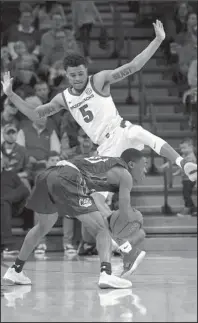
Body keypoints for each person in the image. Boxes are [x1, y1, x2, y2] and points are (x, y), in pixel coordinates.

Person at [1, 20, 197, 182]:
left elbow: (134, 66)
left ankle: (182, 163)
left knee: (140, 132)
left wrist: (157, 40)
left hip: (121, 130)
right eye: (73, 75)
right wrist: (11, 94)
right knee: (98, 198)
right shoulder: (64, 98)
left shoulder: (99, 80)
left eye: (80, 73)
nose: (77, 78)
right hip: (105, 146)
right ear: (67, 75)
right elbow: (35, 114)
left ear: (86, 70)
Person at [3, 148, 146, 287]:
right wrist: (127, 240)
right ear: (132, 164)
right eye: (144, 165)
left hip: (49, 175)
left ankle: (15, 270)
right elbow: (125, 213)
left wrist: (121, 244)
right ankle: (106, 274)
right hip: (69, 176)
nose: (145, 170)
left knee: (42, 227)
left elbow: (95, 203)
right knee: (102, 229)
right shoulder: (125, 175)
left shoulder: (106, 168)